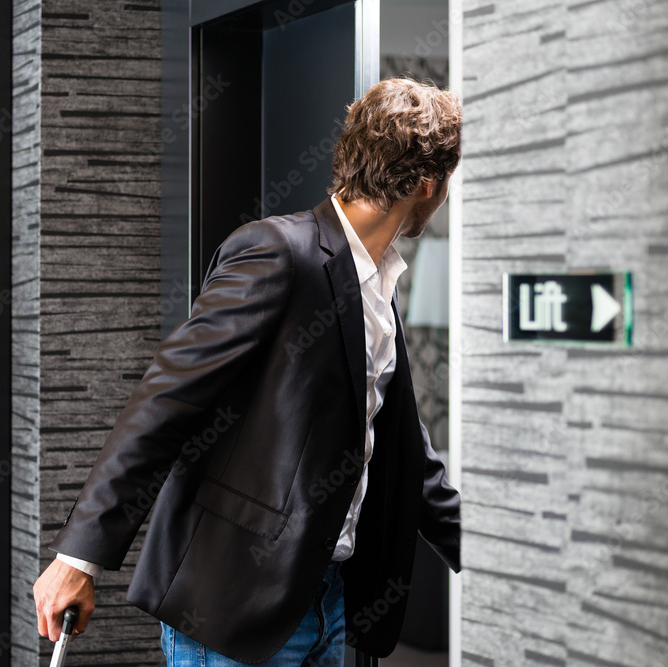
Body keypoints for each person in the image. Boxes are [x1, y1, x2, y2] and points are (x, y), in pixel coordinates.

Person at [33, 77, 463, 665]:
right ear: (426, 184)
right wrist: (76, 559)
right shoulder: (276, 251)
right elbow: (166, 400)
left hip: (333, 602)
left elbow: (399, 446)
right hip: (235, 603)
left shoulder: (379, 285)